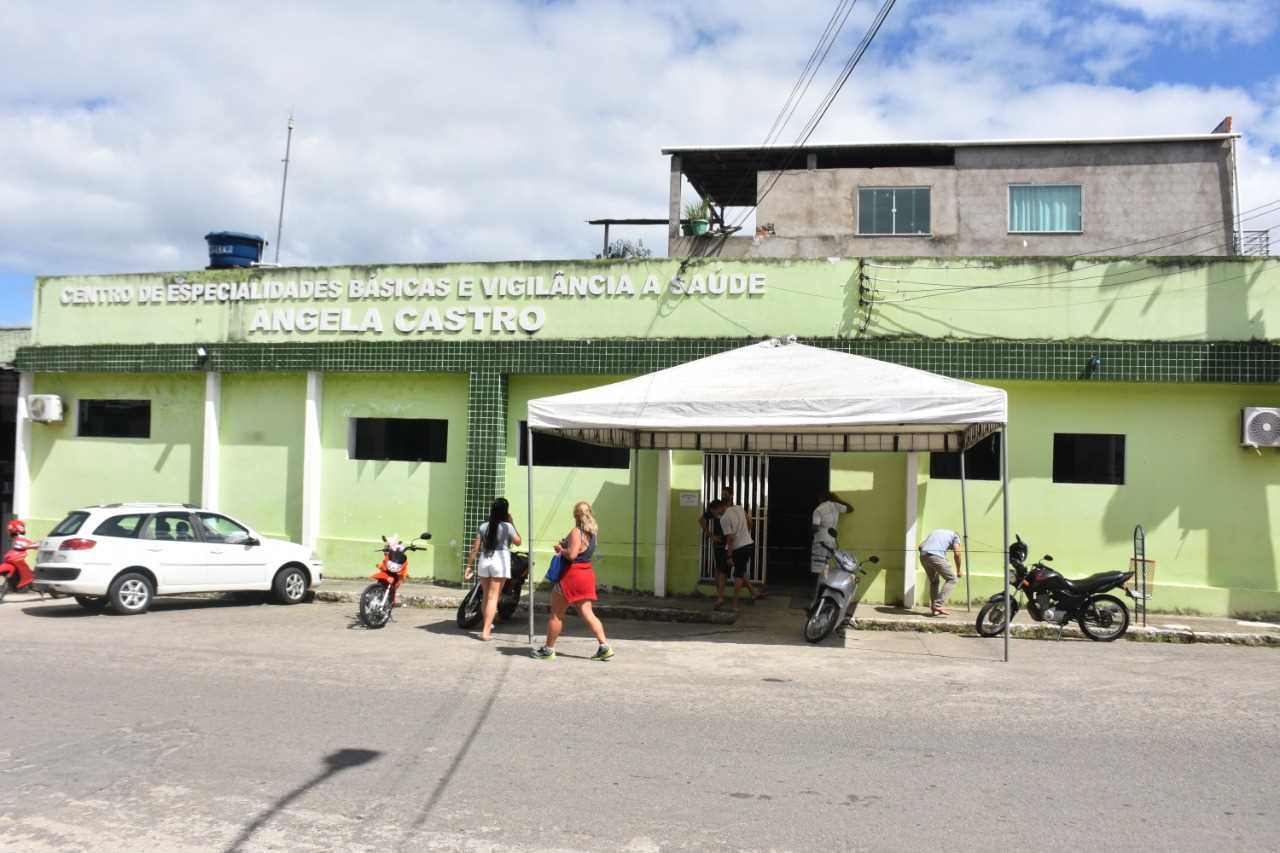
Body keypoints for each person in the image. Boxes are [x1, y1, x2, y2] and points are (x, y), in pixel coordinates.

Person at [533, 501, 613, 661]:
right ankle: (604, 646)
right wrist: (566, 546)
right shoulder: (593, 533)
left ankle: (548, 649)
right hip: (586, 574)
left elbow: (572, 555)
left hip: (572, 576)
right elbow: (581, 551)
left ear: (575, 516)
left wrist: (561, 550)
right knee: (588, 613)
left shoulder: (577, 532)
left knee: (556, 614)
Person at [464, 497, 522, 641]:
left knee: (486, 596)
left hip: (485, 559)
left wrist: (469, 566)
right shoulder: (507, 526)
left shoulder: (484, 526)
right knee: (493, 597)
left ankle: (487, 625)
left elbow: (475, 548)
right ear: (505, 511)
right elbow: (518, 542)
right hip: (500, 560)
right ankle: (485, 632)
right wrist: (511, 522)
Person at [713, 499, 766, 611]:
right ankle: (751, 593)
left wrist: (729, 556)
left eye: (715, 511)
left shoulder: (724, 519)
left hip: (737, 548)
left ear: (720, 507)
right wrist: (744, 533)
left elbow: (730, 538)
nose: (715, 514)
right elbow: (750, 521)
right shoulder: (739, 508)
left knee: (736, 575)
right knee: (730, 571)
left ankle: (734, 604)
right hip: (748, 545)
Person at [699, 484, 733, 604]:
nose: (723, 496)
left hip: (730, 543)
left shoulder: (732, 509)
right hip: (719, 544)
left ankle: (720, 596)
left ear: (731, 496)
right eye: (722, 494)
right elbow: (701, 519)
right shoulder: (717, 508)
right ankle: (720, 596)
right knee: (720, 570)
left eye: (726, 494)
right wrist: (710, 534)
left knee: (726, 571)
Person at [918, 528, 964, 616]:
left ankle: (934, 609)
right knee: (952, 579)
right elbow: (957, 554)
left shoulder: (935, 532)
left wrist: (928, 557)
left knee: (934, 582)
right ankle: (938, 605)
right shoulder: (955, 536)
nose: (949, 549)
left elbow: (920, 546)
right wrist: (958, 570)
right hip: (936, 556)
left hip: (923, 556)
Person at [809, 491, 853, 583]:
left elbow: (815, 528)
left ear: (820, 498)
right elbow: (850, 509)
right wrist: (838, 500)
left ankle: (817, 590)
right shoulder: (836, 506)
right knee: (827, 565)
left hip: (821, 540)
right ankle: (825, 587)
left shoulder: (818, 509)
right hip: (832, 540)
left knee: (819, 566)